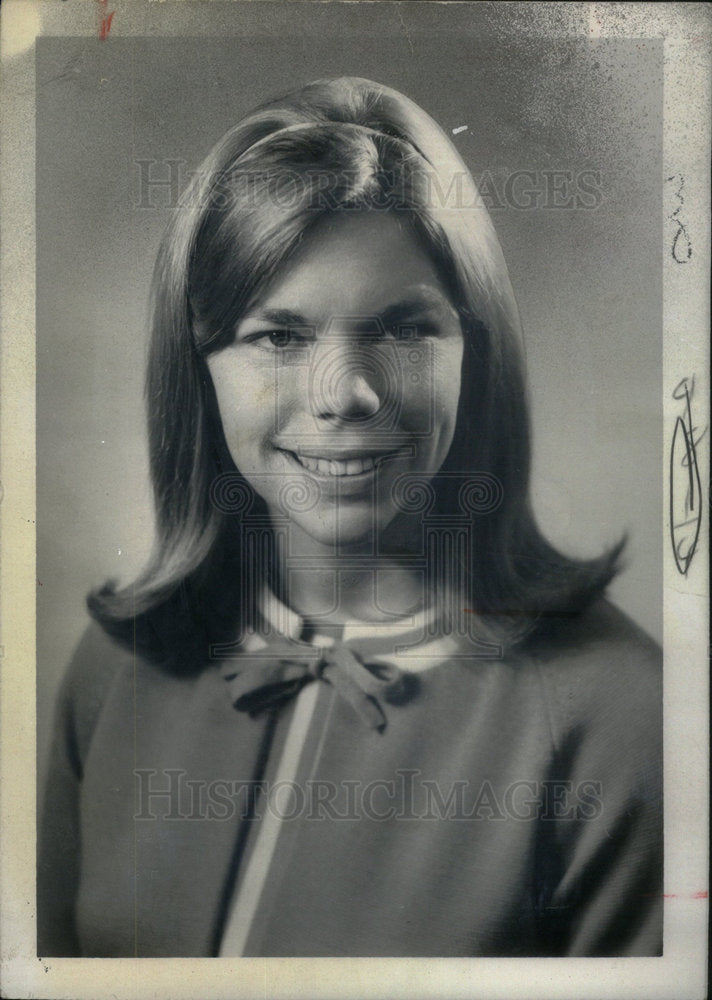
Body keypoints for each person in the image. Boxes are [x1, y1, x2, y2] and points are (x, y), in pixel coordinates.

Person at [37, 76, 662, 958]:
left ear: (474, 355)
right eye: (281, 337)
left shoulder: (621, 717)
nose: (348, 396)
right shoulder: (116, 668)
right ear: (198, 365)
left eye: (405, 330)